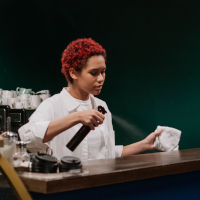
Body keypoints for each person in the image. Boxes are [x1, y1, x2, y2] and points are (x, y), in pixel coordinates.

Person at [18, 38, 162, 161]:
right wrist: (76, 117)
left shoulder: (101, 106)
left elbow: (108, 154)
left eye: (103, 72)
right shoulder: (53, 105)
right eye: (94, 73)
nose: (101, 79)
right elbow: (27, 137)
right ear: (73, 73)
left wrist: (144, 145)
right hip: (67, 187)